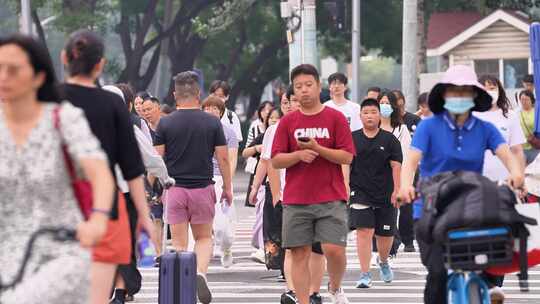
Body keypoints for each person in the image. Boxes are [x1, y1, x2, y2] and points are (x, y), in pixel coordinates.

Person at [0, 34, 114, 304]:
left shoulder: (63, 118)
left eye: (13, 69)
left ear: (38, 77)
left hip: (61, 253)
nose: (4, 76)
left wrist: (98, 220)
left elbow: (100, 174)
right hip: (6, 256)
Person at [398, 65, 524, 304]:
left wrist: (517, 174)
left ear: (475, 96)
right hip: (431, 208)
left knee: (497, 236)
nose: (459, 97)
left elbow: (508, 156)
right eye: (453, 92)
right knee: (437, 274)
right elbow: (411, 162)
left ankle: (487, 285)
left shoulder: (485, 128)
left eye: (465, 92)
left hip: (469, 205)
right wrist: (406, 186)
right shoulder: (428, 126)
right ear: (444, 95)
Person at [59, 29, 155, 304]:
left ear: (65, 58)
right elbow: (132, 166)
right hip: (106, 211)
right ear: (100, 64)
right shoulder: (113, 103)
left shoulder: (48, 100)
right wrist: (145, 216)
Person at [271, 64, 355, 304]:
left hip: (331, 196)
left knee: (334, 250)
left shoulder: (335, 118)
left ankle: (335, 287)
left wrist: (318, 148)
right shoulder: (288, 123)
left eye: (309, 85)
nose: (304, 90)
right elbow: (276, 160)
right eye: (298, 87)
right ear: (293, 92)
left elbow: (347, 156)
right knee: (299, 253)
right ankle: (304, 300)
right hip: (297, 199)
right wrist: (298, 155)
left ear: (319, 86)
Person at [154, 71, 233, 304]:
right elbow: (223, 159)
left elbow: (157, 160)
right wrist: (227, 188)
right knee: (203, 238)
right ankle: (200, 273)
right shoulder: (212, 122)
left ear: (174, 94)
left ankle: (182, 284)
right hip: (203, 188)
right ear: (198, 93)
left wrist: (158, 189)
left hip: (175, 189)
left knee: (179, 243)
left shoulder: (165, 123)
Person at [344, 98, 402, 288]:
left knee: (385, 236)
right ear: (360, 116)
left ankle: (383, 261)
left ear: (380, 116)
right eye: (366, 112)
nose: (369, 116)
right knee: (364, 232)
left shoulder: (390, 140)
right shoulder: (352, 138)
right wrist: (345, 186)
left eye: (373, 112)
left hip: (385, 194)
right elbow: (345, 164)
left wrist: (397, 190)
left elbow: (396, 167)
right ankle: (365, 273)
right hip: (360, 192)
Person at [202, 95, 239, 268]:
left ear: (221, 112)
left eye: (214, 109)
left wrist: (227, 183)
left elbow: (231, 160)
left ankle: (226, 248)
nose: (210, 112)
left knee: (222, 226)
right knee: (201, 223)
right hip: (201, 179)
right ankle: (201, 259)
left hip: (219, 180)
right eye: (207, 108)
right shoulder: (197, 130)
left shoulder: (228, 133)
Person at [243, 106, 283, 264]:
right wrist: (254, 187)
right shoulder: (269, 133)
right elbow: (264, 161)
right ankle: (268, 253)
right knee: (266, 222)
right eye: (271, 117)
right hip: (270, 186)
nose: (274, 119)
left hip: (296, 189)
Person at [379, 91, 414, 253]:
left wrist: (405, 182)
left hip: (395, 177)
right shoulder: (371, 128)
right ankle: (385, 245)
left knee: (395, 213)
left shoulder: (401, 129)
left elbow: (408, 156)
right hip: (374, 178)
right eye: (381, 102)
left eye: (387, 103)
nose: (384, 106)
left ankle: (399, 241)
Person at [517, 90, 539, 164]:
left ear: (531, 100)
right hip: (521, 147)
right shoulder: (516, 113)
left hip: (535, 146)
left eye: (526, 99)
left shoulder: (536, 112)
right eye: (522, 99)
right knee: (522, 172)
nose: (524, 101)